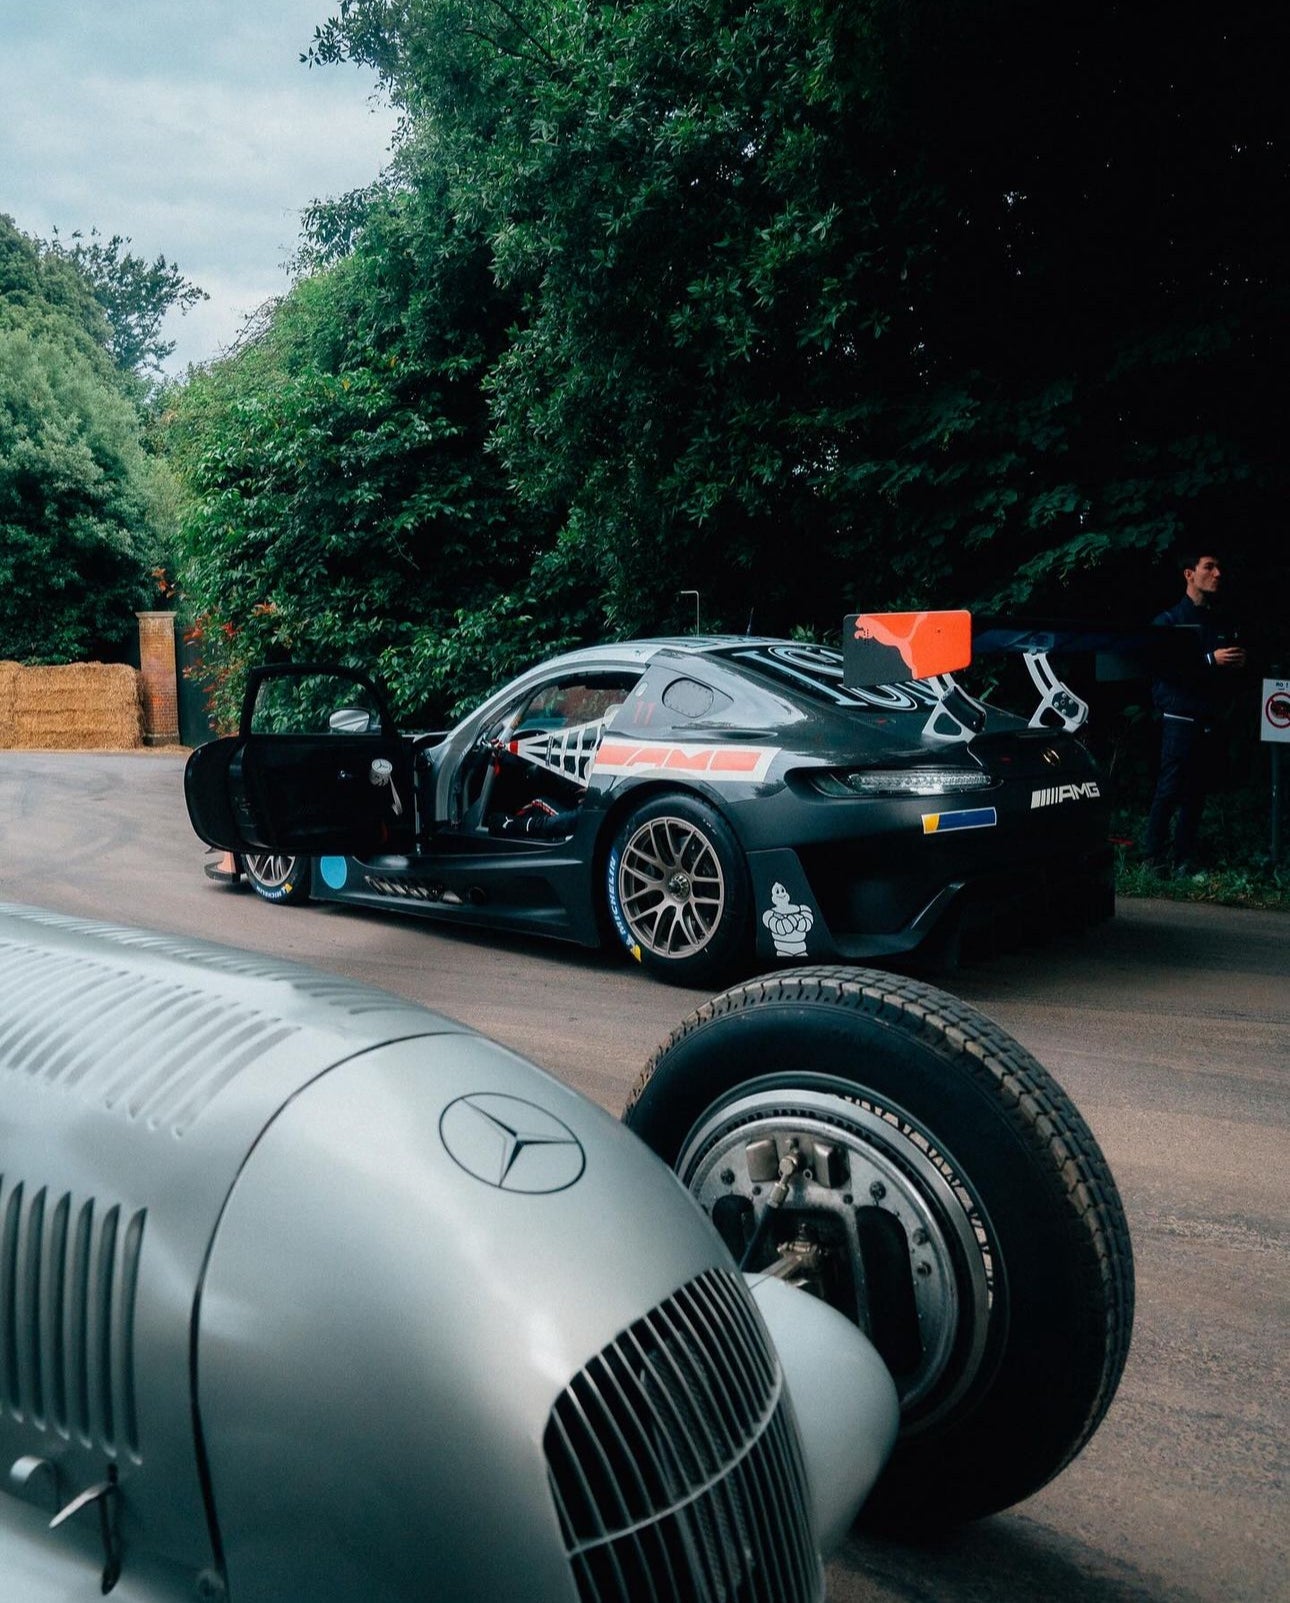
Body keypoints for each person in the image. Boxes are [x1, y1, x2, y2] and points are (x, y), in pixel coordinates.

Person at [1143, 551, 1246, 874]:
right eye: (1209, 567)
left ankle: (1183, 859)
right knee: (1170, 788)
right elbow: (1165, 669)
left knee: (1197, 791)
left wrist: (1236, 665)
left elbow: (1225, 673)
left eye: (1219, 567)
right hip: (1179, 718)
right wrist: (1210, 661)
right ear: (1189, 574)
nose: (1217, 574)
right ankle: (1152, 858)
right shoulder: (1169, 622)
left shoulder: (1219, 622)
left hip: (1210, 718)